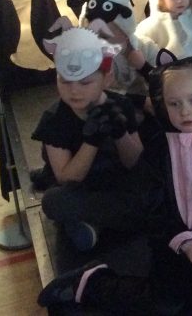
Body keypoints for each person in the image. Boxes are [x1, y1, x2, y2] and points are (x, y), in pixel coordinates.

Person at [38, 52, 192, 314]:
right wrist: (189, 245)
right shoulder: (158, 149)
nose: (185, 111)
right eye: (174, 104)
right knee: (167, 302)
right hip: (174, 240)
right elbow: (154, 206)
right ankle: (93, 282)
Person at [31, 21, 144, 251]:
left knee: (148, 187)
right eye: (65, 81)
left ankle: (93, 222)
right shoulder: (54, 118)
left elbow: (136, 163)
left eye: (85, 82)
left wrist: (120, 132)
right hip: (79, 189)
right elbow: (67, 178)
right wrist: (91, 140)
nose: (74, 90)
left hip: (115, 183)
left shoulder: (121, 104)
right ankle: (110, 220)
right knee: (53, 200)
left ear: (106, 78)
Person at [70, 0, 149, 105]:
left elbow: (164, 77)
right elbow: (95, 94)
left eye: (104, 36)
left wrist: (144, 66)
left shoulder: (142, 46)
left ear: (125, 33)